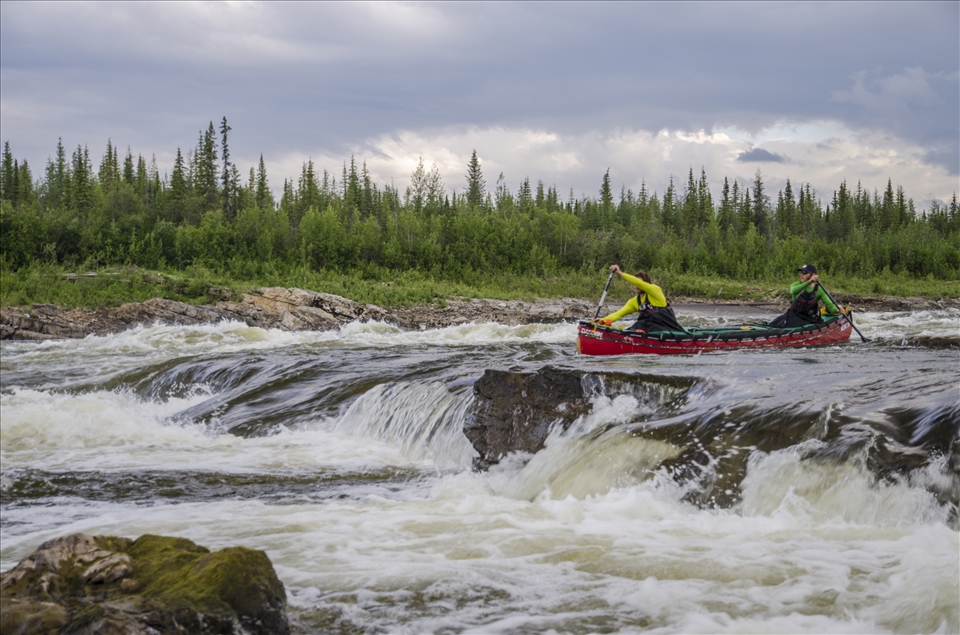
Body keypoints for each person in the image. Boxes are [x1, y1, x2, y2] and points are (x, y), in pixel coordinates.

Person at [594, 264, 685, 333]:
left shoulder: (655, 290)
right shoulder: (634, 301)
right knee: (638, 325)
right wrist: (601, 321)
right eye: (635, 284)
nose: (636, 286)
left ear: (646, 284)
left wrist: (620, 273)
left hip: (666, 328)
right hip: (646, 328)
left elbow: (639, 283)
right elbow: (618, 314)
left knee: (644, 325)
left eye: (638, 284)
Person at [768, 264, 841, 328]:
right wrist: (809, 281)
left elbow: (830, 306)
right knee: (773, 325)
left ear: (813, 275)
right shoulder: (796, 285)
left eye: (805, 272)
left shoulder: (819, 290)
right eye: (801, 272)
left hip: (809, 318)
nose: (802, 274)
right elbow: (793, 291)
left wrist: (838, 310)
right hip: (793, 317)